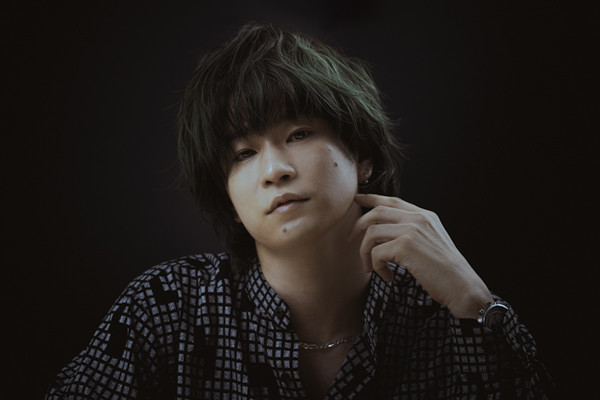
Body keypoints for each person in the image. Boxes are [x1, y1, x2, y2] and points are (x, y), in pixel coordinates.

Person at [46, 22, 554, 399]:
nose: (274, 170)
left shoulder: (451, 314)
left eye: (299, 134)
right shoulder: (165, 308)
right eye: (243, 154)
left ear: (362, 156)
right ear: (228, 198)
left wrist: (474, 301)